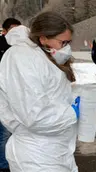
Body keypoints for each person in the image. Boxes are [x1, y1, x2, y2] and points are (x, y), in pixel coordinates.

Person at [0, 12, 80, 172]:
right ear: (43, 38)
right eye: (62, 42)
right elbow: (34, 116)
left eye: (68, 42)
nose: (67, 47)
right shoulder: (23, 58)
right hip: (36, 156)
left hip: (54, 151)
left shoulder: (42, 56)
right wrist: (71, 113)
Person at [0, 18, 21, 172]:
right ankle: (4, 165)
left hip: (18, 96)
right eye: (13, 30)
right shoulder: (2, 45)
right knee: (4, 132)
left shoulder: (23, 48)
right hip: (3, 97)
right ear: (5, 31)